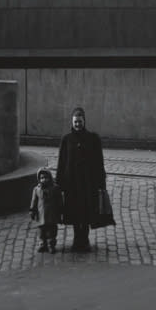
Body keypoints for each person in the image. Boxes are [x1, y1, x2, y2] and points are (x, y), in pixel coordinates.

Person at [55, 106, 106, 251]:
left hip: (88, 182)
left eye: (80, 121)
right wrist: (59, 183)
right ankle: (77, 238)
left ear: (84, 121)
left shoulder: (93, 139)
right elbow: (61, 162)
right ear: (72, 122)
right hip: (71, 182)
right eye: (75, 122)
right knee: (74, 211)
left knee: (87, 210)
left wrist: (101, 182)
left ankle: (85, 238)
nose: (78, 124)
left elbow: (99, 162)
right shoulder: (66, 140)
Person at [29, 167, 62, 253]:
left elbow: (59, 200)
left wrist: (60, 210)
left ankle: (51, 244)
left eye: (46, 177)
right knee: (41, 231)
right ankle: (43, 244)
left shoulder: (55, 188)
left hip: (51, 214)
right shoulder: (37, 189)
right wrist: (32, 210)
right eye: (42, 178)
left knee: (52, 231)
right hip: (41, 214)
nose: (44, 180)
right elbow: (34, 201)